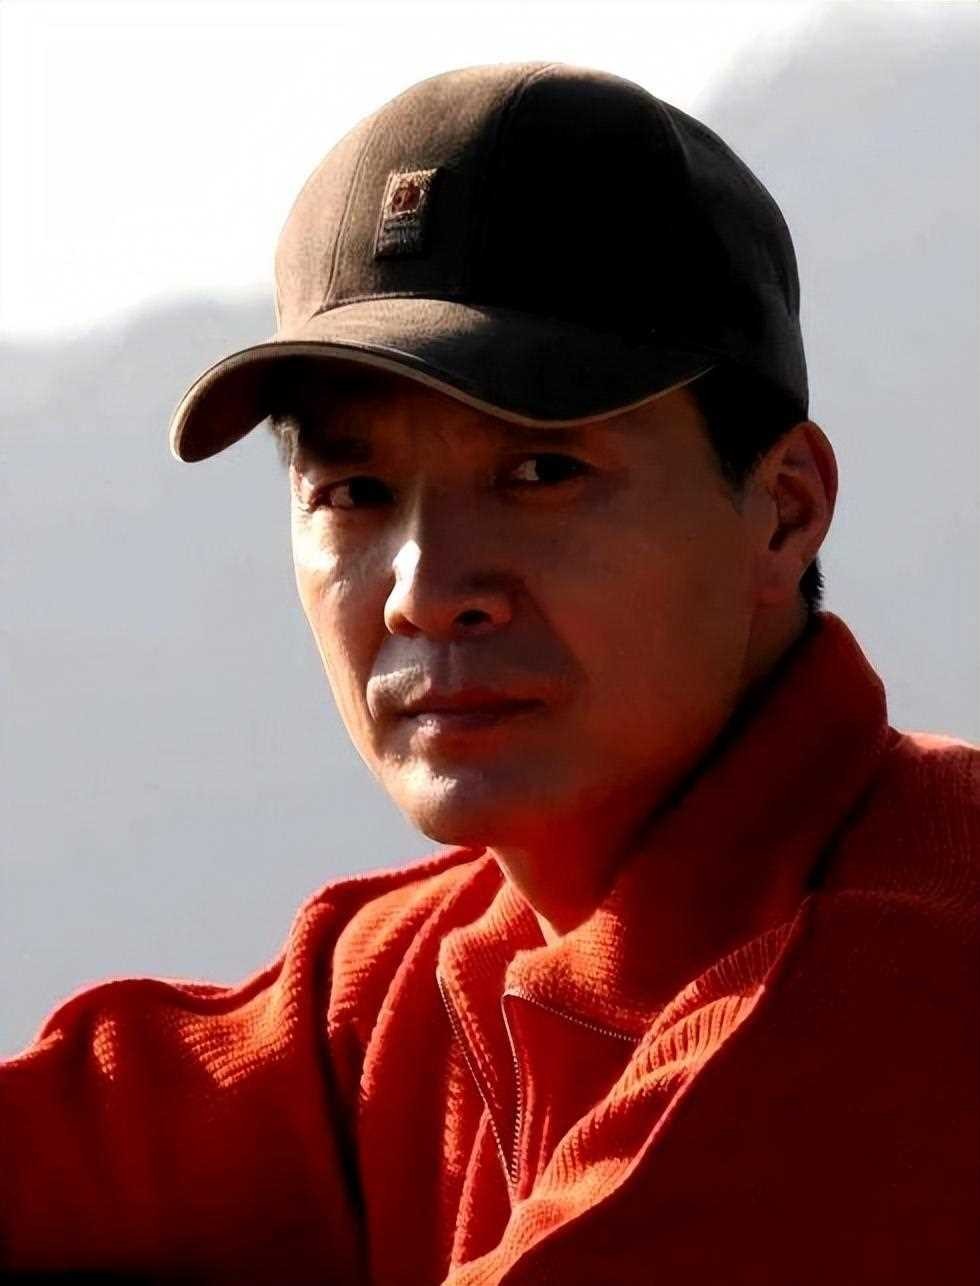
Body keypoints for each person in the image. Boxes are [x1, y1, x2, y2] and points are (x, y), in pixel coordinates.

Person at [1, 61, 976, 1285]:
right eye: (355, 491)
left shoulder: (878, 987)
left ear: (782, 510)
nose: (424, 586)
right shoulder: (425, 975)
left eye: (540, 473)